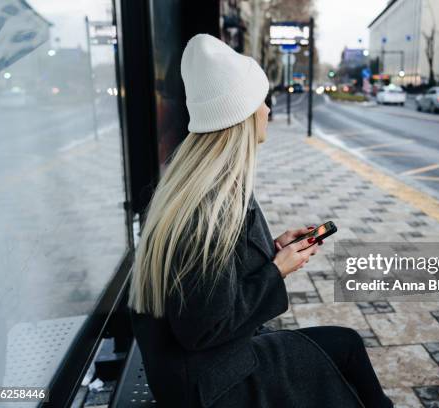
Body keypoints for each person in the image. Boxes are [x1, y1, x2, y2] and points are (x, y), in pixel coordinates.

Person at [128, 34, 394, 408]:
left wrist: (272, 252)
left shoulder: (198, 184)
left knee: (344, 345)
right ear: (243, 116)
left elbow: (207, 287)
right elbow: (205, 328)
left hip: (198, 370)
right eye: (262, 102)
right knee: (345, 348)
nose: (268, 110)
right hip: (213, 385)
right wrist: (276, 271)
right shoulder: (210, 206)